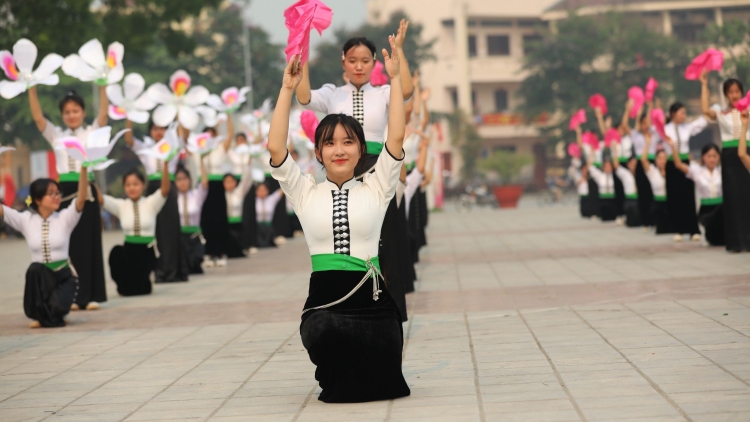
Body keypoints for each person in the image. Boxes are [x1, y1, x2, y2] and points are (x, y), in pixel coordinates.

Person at [268, 37, 410, 403]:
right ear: (318, 152)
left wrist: (394, 81)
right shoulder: (304, 191)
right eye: (330, 143)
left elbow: (395, 135)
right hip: (325, 306)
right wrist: (287, 88)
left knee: (384, 380)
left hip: (374, 307)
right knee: (327, 332)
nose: (339, 150)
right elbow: (275, 149)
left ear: (361, 149)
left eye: (348, 142)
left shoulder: (378, 187)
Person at [295, 20, 413, 178]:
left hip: (377, 169)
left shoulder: (383, 93)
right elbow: (304, 98)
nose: (359, 67)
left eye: (365, 61)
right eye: (352, 61)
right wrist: (304, 51)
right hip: (341, 169)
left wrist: (398, 49)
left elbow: (405, 91)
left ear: (373, 63)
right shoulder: (332, 93)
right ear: (343, 64)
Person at [28, 87, 108, 311]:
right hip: (63, 192)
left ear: (83, 112)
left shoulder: (91, 132)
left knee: (90, 242)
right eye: (67, 112)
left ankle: (92, 295)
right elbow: (37, 117)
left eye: (76, 111)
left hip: (87, 190)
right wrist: (31, 88)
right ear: (62, 115)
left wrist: (103, 84)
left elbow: (103, 114)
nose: (72, 115)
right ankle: (71, 294)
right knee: (67, 243)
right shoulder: (56, 135)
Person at [0, 168, 89, 328]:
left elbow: (81, 198)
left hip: (63, 277)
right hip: (41, 279)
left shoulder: (64, 218)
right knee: (35, 268)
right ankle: (42, 312)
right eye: (51, 193)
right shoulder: (26, 220)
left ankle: (59, 309)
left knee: (55, 315)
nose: (57, 197)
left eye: (58, 193)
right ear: (38, 199)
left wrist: (84, 169)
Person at [124, 120, 188, 281]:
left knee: (171, 230)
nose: (158, 132)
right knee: (156, 230)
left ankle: (173, 270)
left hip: (169, 187)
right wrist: (130, 117)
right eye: (155, 129)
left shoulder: (173, 145)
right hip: (153, 188)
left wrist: (181, 112)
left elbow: (184, 135)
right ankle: (159, 270)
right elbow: (129, 140)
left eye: (162, 129)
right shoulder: (146, 148)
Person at [99, 163, 170, 296]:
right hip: (129, 250)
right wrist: (88, 171)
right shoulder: (121, 205)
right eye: (128, 185)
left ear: (143, 185)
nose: (132, 188)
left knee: (142, 289)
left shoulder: (151, 203)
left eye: (136, 184)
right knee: (116, 253)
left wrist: (165, 165)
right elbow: (101, 199)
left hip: (147, 251)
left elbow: (165, 190)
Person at [700, 71, 750, 252]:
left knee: (747, 196)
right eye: (731, 92)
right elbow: (705, 110)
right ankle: (736, 242)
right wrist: (704, 85)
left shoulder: (748, 108)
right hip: (729, 155)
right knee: (733, 198)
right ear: (726, 94)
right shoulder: (721, 112)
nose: (735, 95)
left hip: (747, 152)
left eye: (738, 91)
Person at [666, 139, 724, 246]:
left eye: (715, 156)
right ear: (703, 157)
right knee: (712, 237)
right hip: (706, 210)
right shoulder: (697, 171)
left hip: (720, 208)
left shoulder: (722, 171)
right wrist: (673, 148)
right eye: (709, 156)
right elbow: (678, 165)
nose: (712, 159)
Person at [663, 102, 707, 242]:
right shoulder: (664, 129)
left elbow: (702, 122)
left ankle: (693, 229)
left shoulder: (687, 128)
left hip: (685, 163)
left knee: (688, 195)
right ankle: (677, 229)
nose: (684, 116)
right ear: (673, 113)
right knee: (674, 196)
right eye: (682, 113)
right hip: (671, 164)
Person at [200, 119, 235, 267]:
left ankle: (221, 252)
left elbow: (230, 134)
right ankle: (209, 252)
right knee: (206, 221)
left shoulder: (220, 148)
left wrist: (228, 114)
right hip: (206, 187)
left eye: (212, 135)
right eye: (206, 135)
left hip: (218, 187)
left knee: (220, 220)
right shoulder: (200, 151)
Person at [623, 99, 658, 230]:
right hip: (640, 164)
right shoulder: (636, 136)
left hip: (652, 163)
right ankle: (646, 221)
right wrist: (628, 109)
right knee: (643, 193)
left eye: (646, 123)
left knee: (655, 191)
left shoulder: (654, 135)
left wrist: (650, 107)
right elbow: (625, 125)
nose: (645, 125)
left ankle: (656, 219)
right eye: (642, 123)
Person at [175, 161, 208, 274]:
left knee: (195, 264)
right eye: (178, 180)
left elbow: (204, 183)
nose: (182, 182)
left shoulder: (196, 195)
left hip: (195, 237)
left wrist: (201, 160)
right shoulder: (173, 198)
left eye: (184, 179)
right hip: (180, 238)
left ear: (189, 180)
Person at [641, 133, 671, 235]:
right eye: (660, 158)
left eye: (664, 158)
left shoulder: (672, 172)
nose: (662, 161)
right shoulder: (653, 171)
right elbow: (643, 160)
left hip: (670, 203)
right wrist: (648, 143)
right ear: (656, 160)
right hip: (658, 205)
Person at [224, 167, 255, 257]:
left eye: (231, 181)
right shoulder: (221, 195)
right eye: (226, 182)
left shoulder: (239, 192)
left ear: (235, 182)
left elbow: (246, 181)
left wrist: (248, 165)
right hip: (226, 226)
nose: (229, 184)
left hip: (238, 225)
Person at [611, 144, 641, 227]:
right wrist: (615, 151)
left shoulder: (641, 174)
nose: (634, 165)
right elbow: (616, 165)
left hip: (639, 199)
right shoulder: (625, 174)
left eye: (635, 163)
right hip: (629, 200)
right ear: (628, 164)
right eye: (632, 163)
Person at [254, 182, 284, 247]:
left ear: (268, 191)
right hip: (257, 229)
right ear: (256, 191)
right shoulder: (253, 201)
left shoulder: (271, 199)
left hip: (268, 227)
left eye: (264, 190)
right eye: (260, 190)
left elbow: (282, 190)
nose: (262, 192)